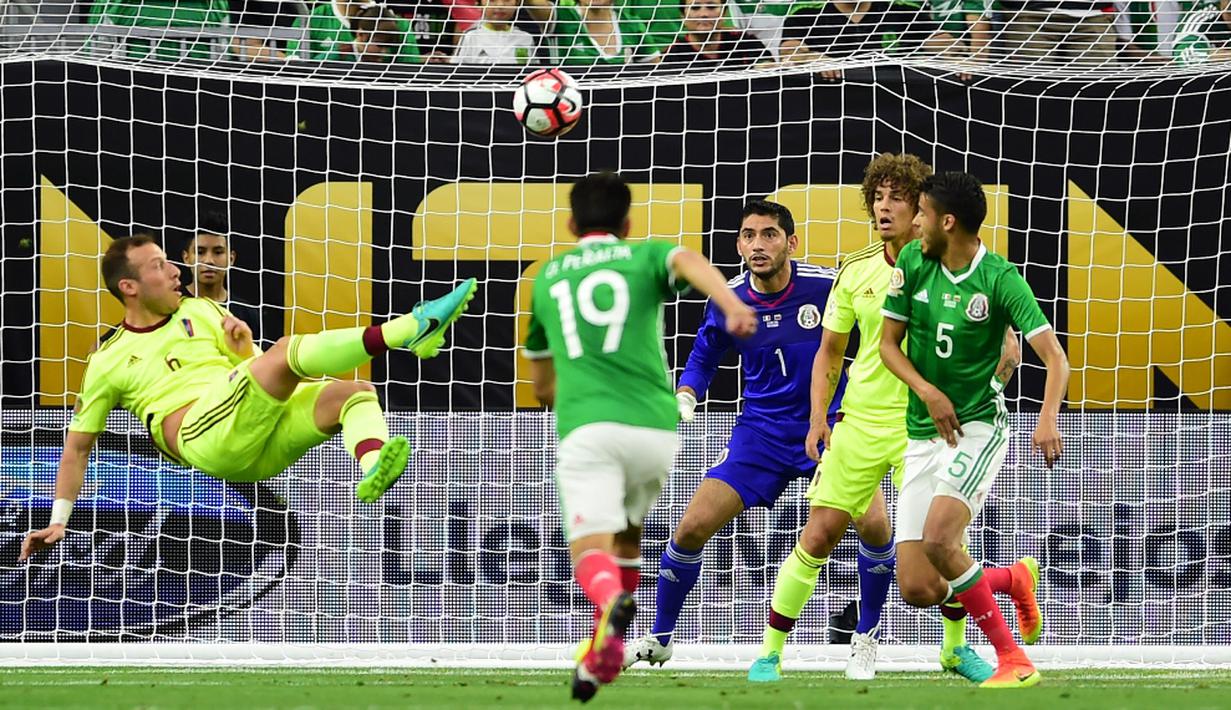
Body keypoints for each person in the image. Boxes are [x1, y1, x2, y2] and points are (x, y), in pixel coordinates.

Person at [20, 233, 476, 561]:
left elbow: (263, 375)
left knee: (354, 393)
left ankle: (375, 464)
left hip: (254, 443)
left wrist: (242, 351)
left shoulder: (203, 310)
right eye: (160, 265)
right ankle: (410, 329)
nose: (178, 270)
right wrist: (59, 519)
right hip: (203, 438)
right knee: (286, 352)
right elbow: (76, 448)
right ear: (129, 287)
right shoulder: (108, 359)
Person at [746, 154, 1015, 683]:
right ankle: (770, 653)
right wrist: (818, 417)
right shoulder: (856, 270)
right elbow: (830, 352)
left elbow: (1007, 348)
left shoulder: (957, 266)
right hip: (862, 421)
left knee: (935, 562)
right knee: (819, 531)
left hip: (931, 427)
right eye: (878, 195)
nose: (884, 206)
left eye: (897, 196)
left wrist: (983, 395)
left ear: (923, 209)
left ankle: (956, 648)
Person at [522, 172, 757, 702]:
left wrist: (572, 392)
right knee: (628, 538)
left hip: (590, 425)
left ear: (569, 223)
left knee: (590, 547)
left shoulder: (549, 278)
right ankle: (607, 649)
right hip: (655, 429)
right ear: (627, 225)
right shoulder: (642, 257)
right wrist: (732, 303)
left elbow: (542, 388)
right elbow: (685, 260)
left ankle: (609, 607)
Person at [621, 200, 848, 669]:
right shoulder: (729, 297)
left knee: (876, 529)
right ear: (739, 244)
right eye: (748, 235)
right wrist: (685, 396)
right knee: (690, 528)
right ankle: (661, 637)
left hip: (829, 428)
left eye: (769, 234)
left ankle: (864, 636)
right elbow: (705, 357)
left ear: (792, 242)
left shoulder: (828, 288)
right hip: (760, 434)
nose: (758, 245)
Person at [880, 171, 1070, 688]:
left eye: (920, 212)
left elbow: (1055, 358)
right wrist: (928, 391)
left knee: (942, 539)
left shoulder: (1001, 279)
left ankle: (1014, 660)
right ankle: (1012, 579)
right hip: (922, 433)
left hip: (978, 429)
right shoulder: (914, 264)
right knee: (918, 587)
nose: (912, 222)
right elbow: (887, 346)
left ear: (947, 221)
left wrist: (1048, 417)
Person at [181, 210, 264, 346]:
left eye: (218, 252)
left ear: (231, 258)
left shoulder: (247, 313)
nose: (209, 260)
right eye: (200, 252)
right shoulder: (172, 305)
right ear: (186, 257)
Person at [659, 0, 769, 69]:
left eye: (711, 7)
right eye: (695, 8)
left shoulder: (745, 43)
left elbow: (766, 65)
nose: (704, 14)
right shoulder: (672, 56)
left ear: (724, 13)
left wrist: (764, 67)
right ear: (683, 17)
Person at [451, 0, 539, 63]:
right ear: (479, 4)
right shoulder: (471, 36)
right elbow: (456, 67)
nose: (500, 5)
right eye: (492, 0)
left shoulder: (525, 38)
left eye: (507, 0)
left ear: (517, 3)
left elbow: (533, 72)